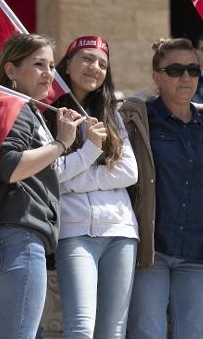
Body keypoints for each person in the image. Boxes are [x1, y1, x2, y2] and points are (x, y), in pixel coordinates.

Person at [0, 34, 83, 339]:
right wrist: (61, 143)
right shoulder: (16, 107)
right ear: (11, 70)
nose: (49, 73)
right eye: (38, 65)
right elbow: (12, 166)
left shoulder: (14, 108)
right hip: (16, 241)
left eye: (50, 65)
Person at [120, 37, 203, 339]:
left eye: (193, 70)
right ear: (157, 76)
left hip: (198, 254)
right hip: (151, 252)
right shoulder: (137, 120)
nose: (186, 77)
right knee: (147, 334)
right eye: (175, 70)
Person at [47, 35, 138, 338]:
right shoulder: (47, 112)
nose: (94, 67)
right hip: (74, 232)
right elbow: (48, 175)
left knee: (113, 332)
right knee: (81, 328)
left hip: (121, 231)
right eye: (86, 58)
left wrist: (74, 180)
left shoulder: (111, 112)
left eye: (102, 63)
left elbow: (129, 172)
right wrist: (90, 154)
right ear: (67, 65)